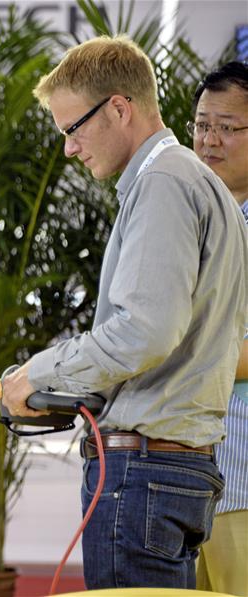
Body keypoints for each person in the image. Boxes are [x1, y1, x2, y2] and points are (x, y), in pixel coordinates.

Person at [0, 37, 248, 589]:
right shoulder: (196, 182)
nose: (69, 148)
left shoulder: (163, 182)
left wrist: (38, 374)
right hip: (173, 469)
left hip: (144, 474)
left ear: (118, 107)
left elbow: (145, 330)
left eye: (73, 129)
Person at [191, 60, 248, 597]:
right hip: (180, 477)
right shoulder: (192, 216)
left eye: (227, 127)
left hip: (244, 478)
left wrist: (176, 361)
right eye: (202, 125)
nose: (210, 140)